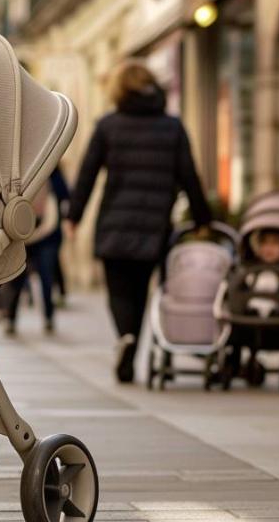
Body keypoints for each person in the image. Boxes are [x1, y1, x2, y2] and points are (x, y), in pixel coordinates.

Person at [66, 61, 210, 383]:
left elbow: (87, 174)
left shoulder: (107, 126)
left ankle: (124, 338)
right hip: (154, 224)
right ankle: (133, 343)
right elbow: (189, 175)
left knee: (118, 291)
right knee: (141, 290)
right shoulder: (172, 126)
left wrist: (73, 215)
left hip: (114, 222)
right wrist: (203, 218)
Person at [4, 167, 70, 335]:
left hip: (47, 233)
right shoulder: (18, 171)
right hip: (21, 234)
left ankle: (48, 317)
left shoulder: (54, 171)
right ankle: (10, 318)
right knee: (17, 278)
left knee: (46, 277)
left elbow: (65, 195)